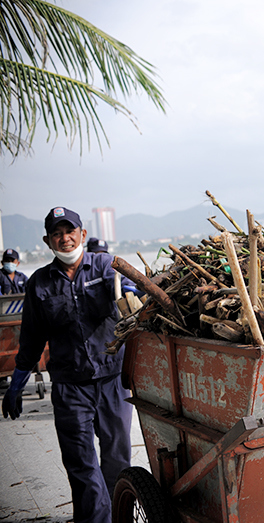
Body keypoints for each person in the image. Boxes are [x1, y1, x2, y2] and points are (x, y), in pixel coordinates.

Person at [2, 207, 133, 523]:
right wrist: (17, 384)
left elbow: (135, 295)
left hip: (112, 379)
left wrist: (131, 289)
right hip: (69, 385)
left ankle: (120, 518)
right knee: (81, 463)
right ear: (48, 241)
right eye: (57, 234)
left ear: (83, 234)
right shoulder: (39, 283)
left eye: (70, 231)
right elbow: (32, 338)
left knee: (117, 458)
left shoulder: (105, 265)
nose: (65, 238)